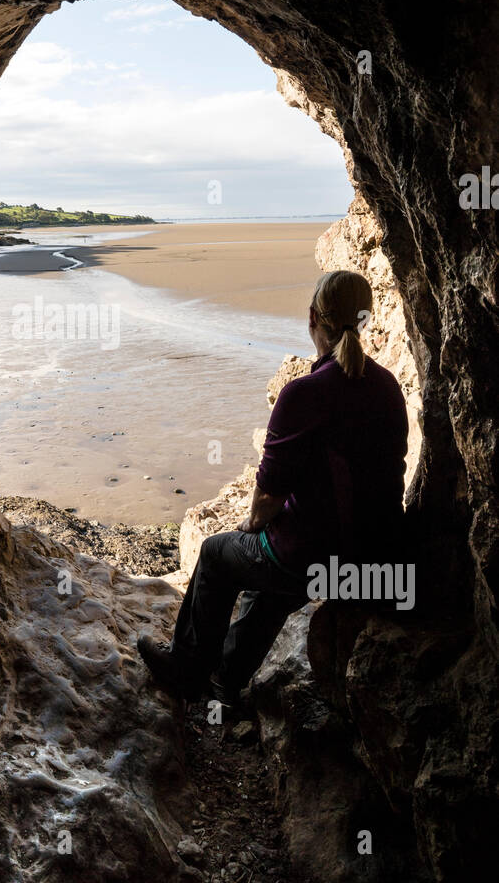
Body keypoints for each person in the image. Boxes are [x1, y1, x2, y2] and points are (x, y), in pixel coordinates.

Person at [138, 269, 409, 708]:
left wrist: (251, 525)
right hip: (377, 556)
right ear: (365, 320)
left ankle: (186, 673)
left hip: (321, 557)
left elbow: (266, 499)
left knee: (217, 554)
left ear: (312, 319)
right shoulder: (387, 387)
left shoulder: (304, 392)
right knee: (273, 579)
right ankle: (225, 682)